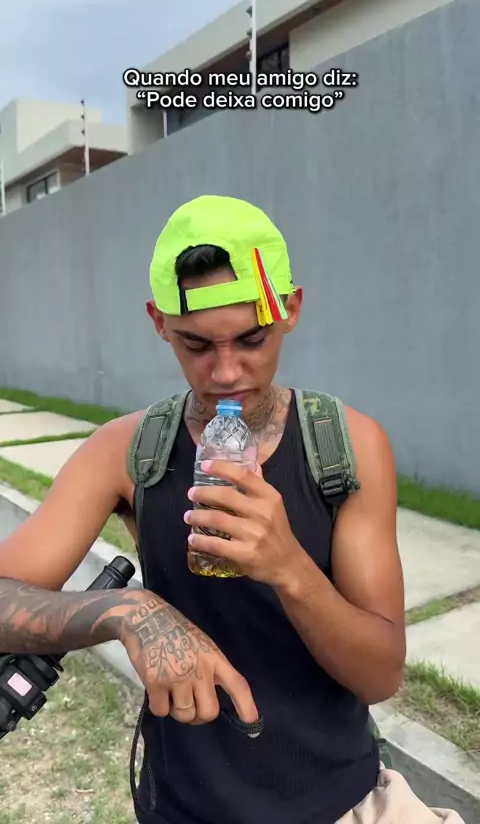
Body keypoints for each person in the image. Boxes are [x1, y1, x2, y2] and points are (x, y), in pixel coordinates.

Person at [0, 196, 464, 824]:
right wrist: (127, 611)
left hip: (341, 801)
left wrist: (290, 567)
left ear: (290, 309)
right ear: (159, 322)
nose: (225, 372)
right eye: (195, 344)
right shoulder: (128, 452)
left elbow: (381, 676)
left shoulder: (346, 446)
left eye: (252, 339)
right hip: (187, 805)